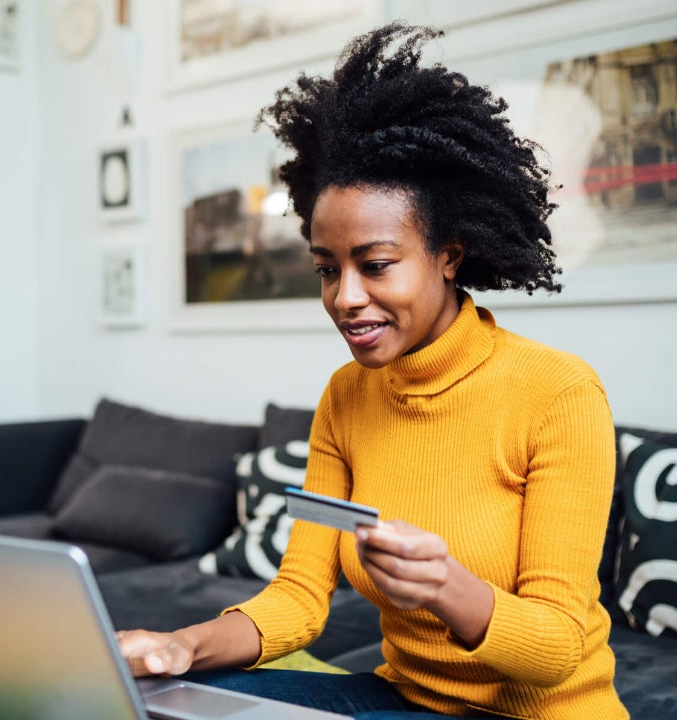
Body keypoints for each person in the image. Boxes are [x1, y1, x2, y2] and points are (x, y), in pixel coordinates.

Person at [117, 21, 627, 720]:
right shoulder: (347, 396)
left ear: (448, 253)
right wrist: (184, 645)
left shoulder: (558, 393)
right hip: (402, 700)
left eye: (376, 265)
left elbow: (558, 646)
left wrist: (446, 586)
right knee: (163, 703)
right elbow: (299, 595)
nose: (345, 298)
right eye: (328, 270)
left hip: (539, 713)